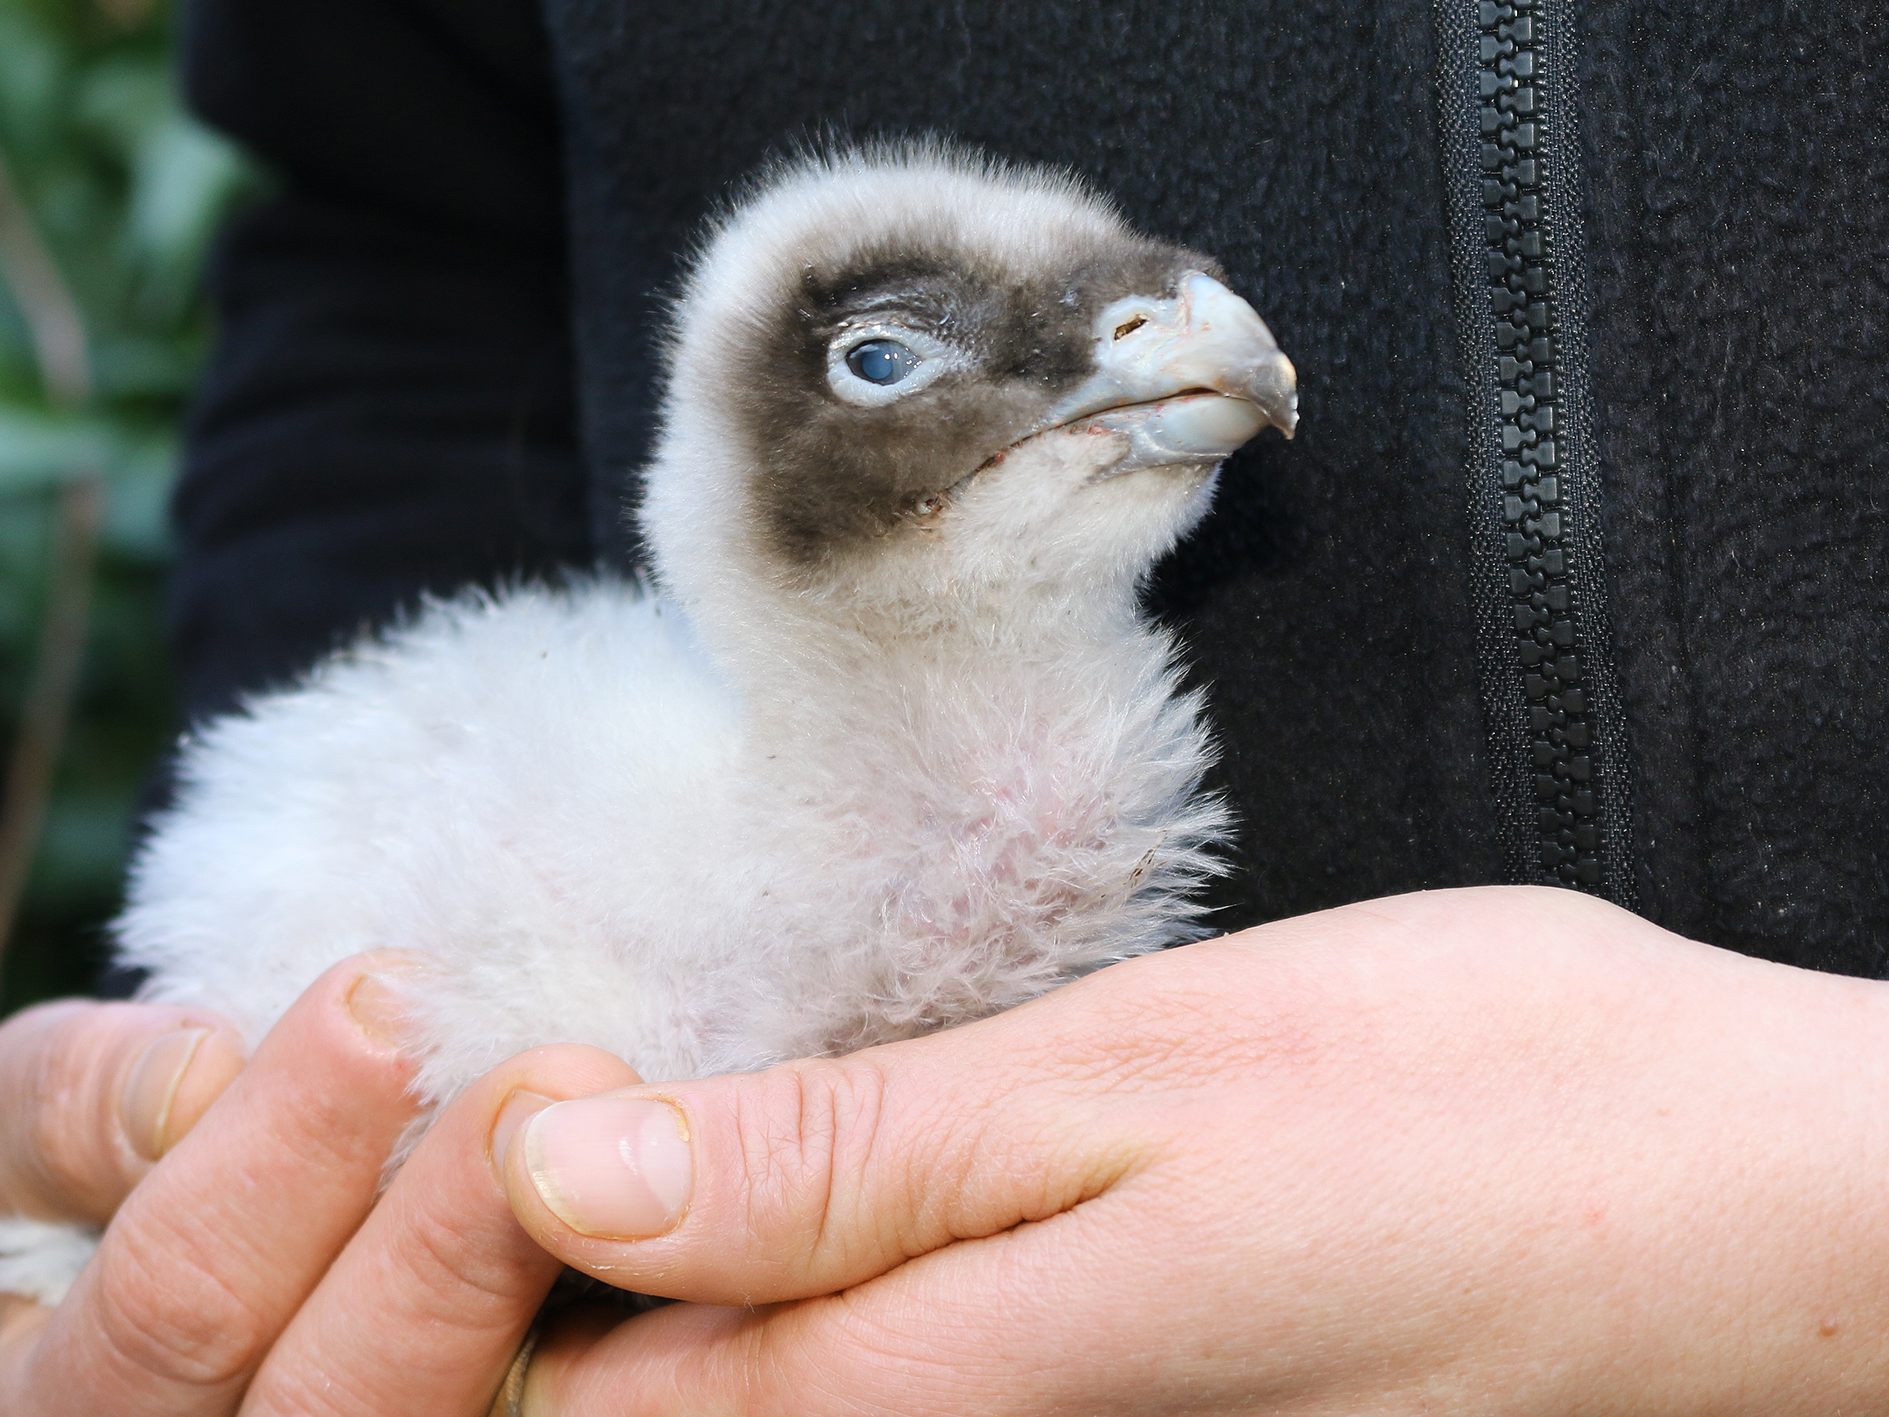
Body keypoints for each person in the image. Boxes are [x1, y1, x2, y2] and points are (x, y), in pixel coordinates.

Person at [3, 0, 1886, 1411]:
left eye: (1145, 305)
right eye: (891, 360)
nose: (1170, 338)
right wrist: (264, 1284)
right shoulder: (516, 883)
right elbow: (394, 219)